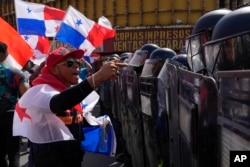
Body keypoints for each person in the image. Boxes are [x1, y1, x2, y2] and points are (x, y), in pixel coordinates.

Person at [13, 47, 127, 167]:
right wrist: (97, 77)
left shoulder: (70, 88)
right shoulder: (39, 90)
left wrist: (96, 124)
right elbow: (60, 103)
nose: (76, 66)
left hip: (73, 157)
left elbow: (73, 112)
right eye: (69, 63)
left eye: (77, 62)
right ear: (54, 70)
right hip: (49, 160)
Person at [0, 42, 30, 167]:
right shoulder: (17, 72)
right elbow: (26, 96)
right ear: (3, 54)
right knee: (14, 153)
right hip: (12, 116)